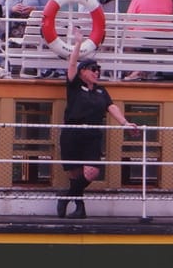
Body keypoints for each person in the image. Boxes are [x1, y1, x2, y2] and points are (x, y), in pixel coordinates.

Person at [58, 44, 140, 219]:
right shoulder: (74, 85)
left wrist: (125, 123)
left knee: (91, 172)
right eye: (93, 69)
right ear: (83, 72)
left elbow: (111, 107)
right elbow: (72, 64)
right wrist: (78, 43)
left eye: (98, 70)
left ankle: (65, 198)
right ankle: (80, 209)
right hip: (72, 133)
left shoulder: (102, 91)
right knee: (75, 172)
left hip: (92, 134)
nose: (97, 73)